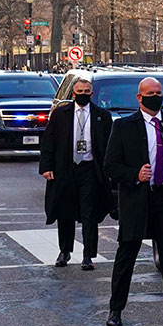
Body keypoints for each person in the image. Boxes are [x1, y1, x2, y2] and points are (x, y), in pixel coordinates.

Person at [105, 77, 163, 326]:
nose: (155, 97)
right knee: (127, 254)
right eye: (150, 93)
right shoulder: (124, 127)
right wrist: (135, 174)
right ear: (139, 98)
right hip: (137, 199)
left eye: (159, 92)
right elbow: (110, 166)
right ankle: (115, 310)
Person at [39, 78, 114, 271]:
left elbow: (108, 146)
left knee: (89, 214)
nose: (83, 94)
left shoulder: (102, 116)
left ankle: (88, 255)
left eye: (86, 91)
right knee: (65, 212)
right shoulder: (61, 114)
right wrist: (47, 167)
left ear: (92, 93)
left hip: (90, 169)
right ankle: (65, 251)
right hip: (65, 168)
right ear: (73, 93)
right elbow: (49, 142)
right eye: (79, 91)